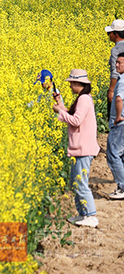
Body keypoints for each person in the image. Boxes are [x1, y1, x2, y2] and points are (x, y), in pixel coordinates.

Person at [53, 69, 100, 228]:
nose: (70, 86)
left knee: (81, 184)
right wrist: (61, 105)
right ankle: (82, 214)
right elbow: (71, 115)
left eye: (72, 83)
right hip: (78, 147)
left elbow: (76, 120)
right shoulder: (81, 98)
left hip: (83, 148)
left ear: (78, 83)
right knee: (75, 183)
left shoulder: (85, 99)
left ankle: (91, 215)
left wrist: (59, 111)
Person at [108, 53, 124, 200]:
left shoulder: (122, 80)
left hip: (120, 124)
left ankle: (122, 187)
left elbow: (119, 98)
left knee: (113, 154)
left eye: (119, 63)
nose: (116, 65)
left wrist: (118, 116)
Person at [106, 19, 124, 121]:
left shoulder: (116, 50)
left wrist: (111, 91)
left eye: (110, 33)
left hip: (119, 85)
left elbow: (115, 71)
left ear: (116, 35)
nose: (109, 35)